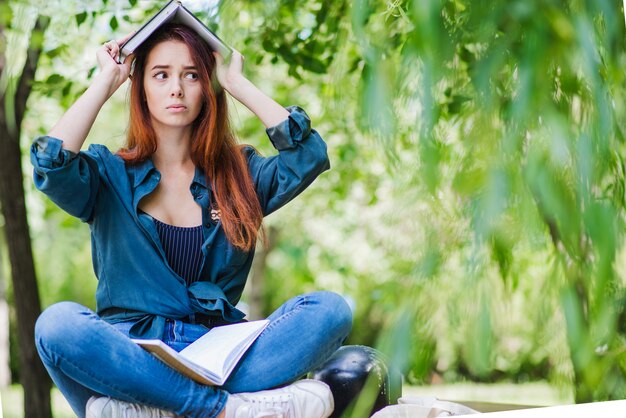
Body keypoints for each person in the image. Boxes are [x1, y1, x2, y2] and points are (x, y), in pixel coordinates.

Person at [31, 22, 352, 418]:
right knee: (57, 325)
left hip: (221, 354)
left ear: (208, 88)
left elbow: (308, 156)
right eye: (161, 74)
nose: (176, 89)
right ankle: (217, 409)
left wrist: (237, 83)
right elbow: (51, 164)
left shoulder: (240, 175)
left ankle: (152, 408)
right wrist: (106, 79)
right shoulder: (106, 174)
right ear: (141, 87)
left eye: (192, 75)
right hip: (133, 354)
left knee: (331, 310)